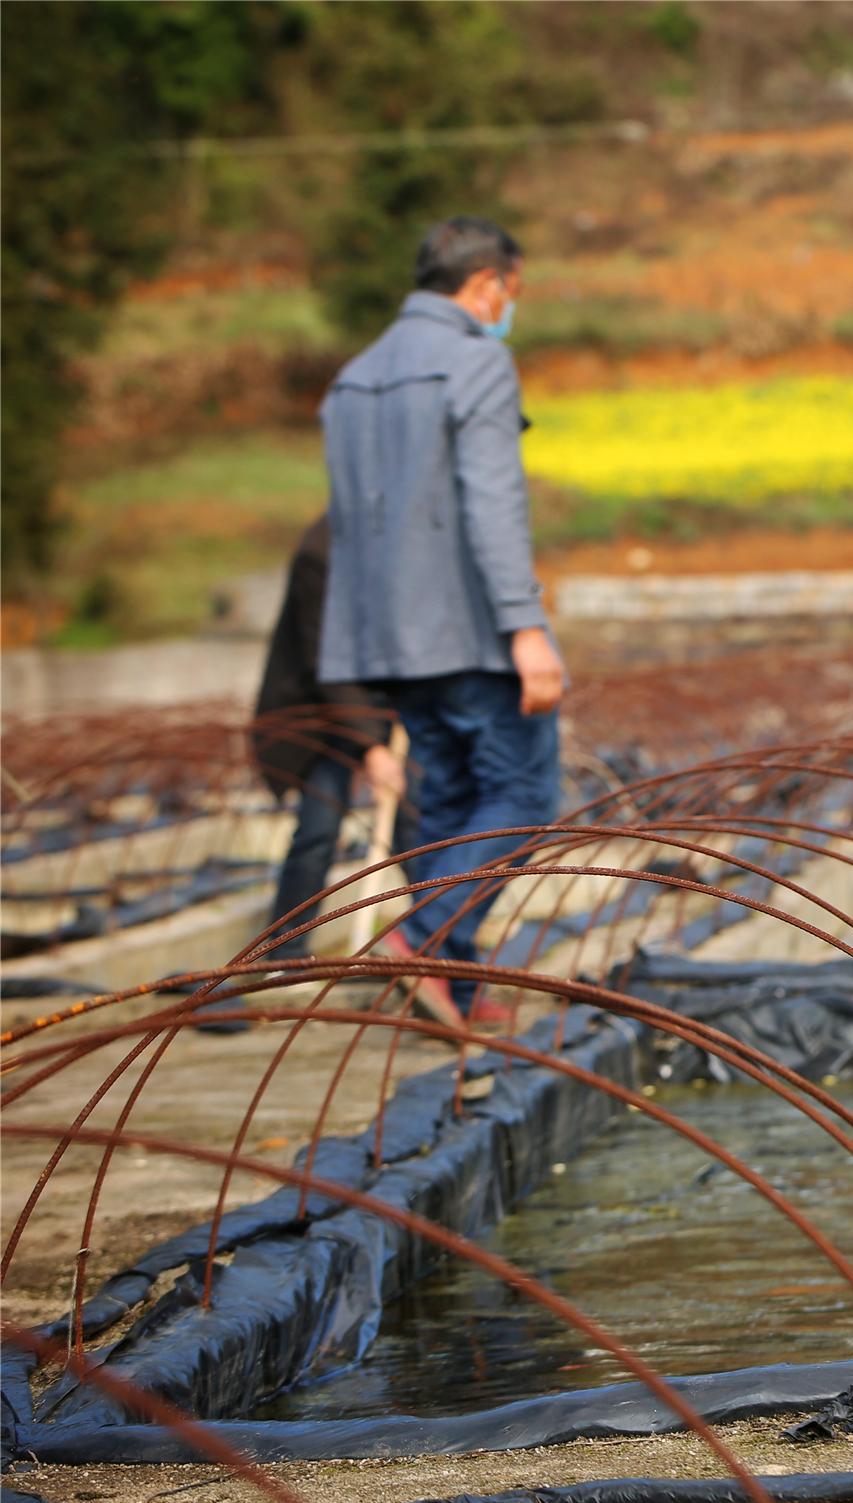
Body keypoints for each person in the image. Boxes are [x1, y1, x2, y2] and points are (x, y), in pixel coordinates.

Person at [318, 215, 566, 1022]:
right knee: (524, 792)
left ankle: (450, 985)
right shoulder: (476, 363)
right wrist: (525, 627)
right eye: (511, 292)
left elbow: (350, 522)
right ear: (487, 284)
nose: (508, 309)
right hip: (470, 630)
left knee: (452, 801)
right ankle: (420, 938)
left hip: (385, 637)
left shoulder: (353, 378)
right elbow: (492, 505)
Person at [251, 517, 414, 957]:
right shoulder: (321, 552)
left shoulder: (406, 537)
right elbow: (326, 661)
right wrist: (371, 747)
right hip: (320, 714)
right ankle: (283, 954)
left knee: (416, 824)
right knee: (318, 831)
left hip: (383, 707)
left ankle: (437, 945)